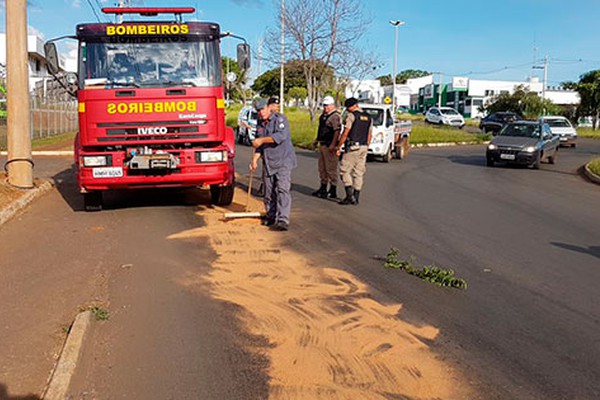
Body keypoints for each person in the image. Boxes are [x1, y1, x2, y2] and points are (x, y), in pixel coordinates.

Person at [250, 98, 297, 231]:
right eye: (258, 110)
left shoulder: (279, 120)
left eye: (263, 109)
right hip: (268, 162)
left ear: (269, 108)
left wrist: (260, 140)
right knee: (268, 190)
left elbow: (280, 137)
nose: (261, 112)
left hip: (283, 161)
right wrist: (254, 159)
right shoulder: (260, 123)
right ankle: (271, 216)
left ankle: (283, 219)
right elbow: (259, 146)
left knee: (282, 189)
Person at [335, 97, 372, 205]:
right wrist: (366, 145)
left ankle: (349, 196)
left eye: (348, 108)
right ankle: (356, 197)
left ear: (351, 106)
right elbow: (370, 134)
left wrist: (339, 146)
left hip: (353, 147)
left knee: (344, 170)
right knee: (358, 173)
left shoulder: (351, 116)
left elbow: (346, 132)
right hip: (364, 147)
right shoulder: (368, 117)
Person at [312, 95, 341, 199]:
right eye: (324, 105)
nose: (325, 107)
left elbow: (336, 131)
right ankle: (323, 188)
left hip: (330, 145)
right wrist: (316, 140)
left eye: (327, 105)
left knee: (331, 168)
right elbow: (321, 129)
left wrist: (333, 144)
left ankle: (333, 190)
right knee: (322, 168)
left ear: (332, 105)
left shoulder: (335, 117)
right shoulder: (323, 116)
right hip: (323, 144)